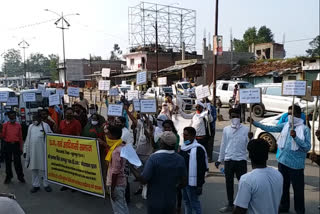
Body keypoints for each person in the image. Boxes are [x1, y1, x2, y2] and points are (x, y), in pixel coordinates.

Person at [249, 104, 311, 214]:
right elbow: (271, 128)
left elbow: (307, 147)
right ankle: (284, 206)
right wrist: (255, 123)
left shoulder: (305, 129)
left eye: (292, 114)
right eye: (288, 114)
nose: (289, 116)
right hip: (283, 162)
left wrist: (295, 137)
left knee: (298, 191)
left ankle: (300, 210)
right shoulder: (286, 125)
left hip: (296, 166)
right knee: (283, 187)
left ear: (298, 115)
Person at [131, 131, 187, 214]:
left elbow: (143, 180)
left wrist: (131, 166)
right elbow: (184, 182)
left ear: (162, 143)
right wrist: (173, 189)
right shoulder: (180, 159)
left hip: (155, 200)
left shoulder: (154, 158)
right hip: (171, 200)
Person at [233, 139, 283, 214]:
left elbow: (240, 209)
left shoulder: (246, 180)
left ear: (249, 156)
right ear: (267, 156)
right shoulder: (278, 175)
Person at [215, 108, 251, 213]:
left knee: (243, 184)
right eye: (233, 116)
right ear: (230, 117)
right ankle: (230, 204)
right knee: (229, 183)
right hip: (229, 160)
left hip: (241, 160)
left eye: (237, 116)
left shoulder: (246, 129)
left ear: (240, 117)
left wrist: (250, 138)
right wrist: (219, 159)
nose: (235, 118)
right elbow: (223, 144)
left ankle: (242, 205)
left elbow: (249, 145)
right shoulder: (226, 129)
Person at [179, 127, 208, 214]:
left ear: (193, 136)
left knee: (194, 203)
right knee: (186, 202)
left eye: (186, 135)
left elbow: (201, 169)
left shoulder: (198, 149)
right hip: (184, 181)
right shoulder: (183, 147)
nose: (184, 137)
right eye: (183, 134)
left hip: (193, 183)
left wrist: (200, 185)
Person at [23, 114, 53, 193]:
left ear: (40, 118)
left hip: (43, 151)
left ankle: (46, 185)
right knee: (34, 169)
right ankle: (36, 185)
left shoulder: (45, 126)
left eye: (36, 118)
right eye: (33, 119)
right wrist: (25, 151)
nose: (34, 120)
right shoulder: (30, 127)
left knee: (44, 169)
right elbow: (27, 139)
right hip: (32, 153)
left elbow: (51, 137)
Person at [105, 125, 129, 214]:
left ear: (113, 136)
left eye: (108, 134)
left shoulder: (115, 152)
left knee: (118, 209)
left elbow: (115, 172)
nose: (106, 136)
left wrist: (112, 189)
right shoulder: (121, 145)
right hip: (122, 182)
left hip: (117, 184)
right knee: (122, 205)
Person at [59, 107, 82, 191]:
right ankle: (66, 184)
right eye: (67, 113)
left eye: (70, 113)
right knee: (65, 167)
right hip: (64, 149)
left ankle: (74, 185)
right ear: (65, 114)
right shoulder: (61, 122)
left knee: (73, 168)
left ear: (73, 114)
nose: (69, 115)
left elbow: (78, 136)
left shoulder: (77, 123)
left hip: (73, 149)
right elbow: (60, 133)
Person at [1, 111, 24, 184]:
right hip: (7, 145)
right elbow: (2, 136)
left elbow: (20, 137)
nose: (12, 117)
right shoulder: (5, 125)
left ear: (15, 116)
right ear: (8, 117)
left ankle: (20, 177)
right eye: (11, 116)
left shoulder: (18, 125)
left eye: (14, 116)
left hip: (16, 145)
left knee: (18, 162)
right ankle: (8, 177)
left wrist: (21, 148)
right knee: (8, 162)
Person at [203, 97, 217, 162]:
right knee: (204, 143)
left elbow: (214, 118)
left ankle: (209, 157)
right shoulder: (202, 109)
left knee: (210, 143)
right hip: (203, 128)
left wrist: (209, 114)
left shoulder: (213, 108)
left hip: (211, 128)